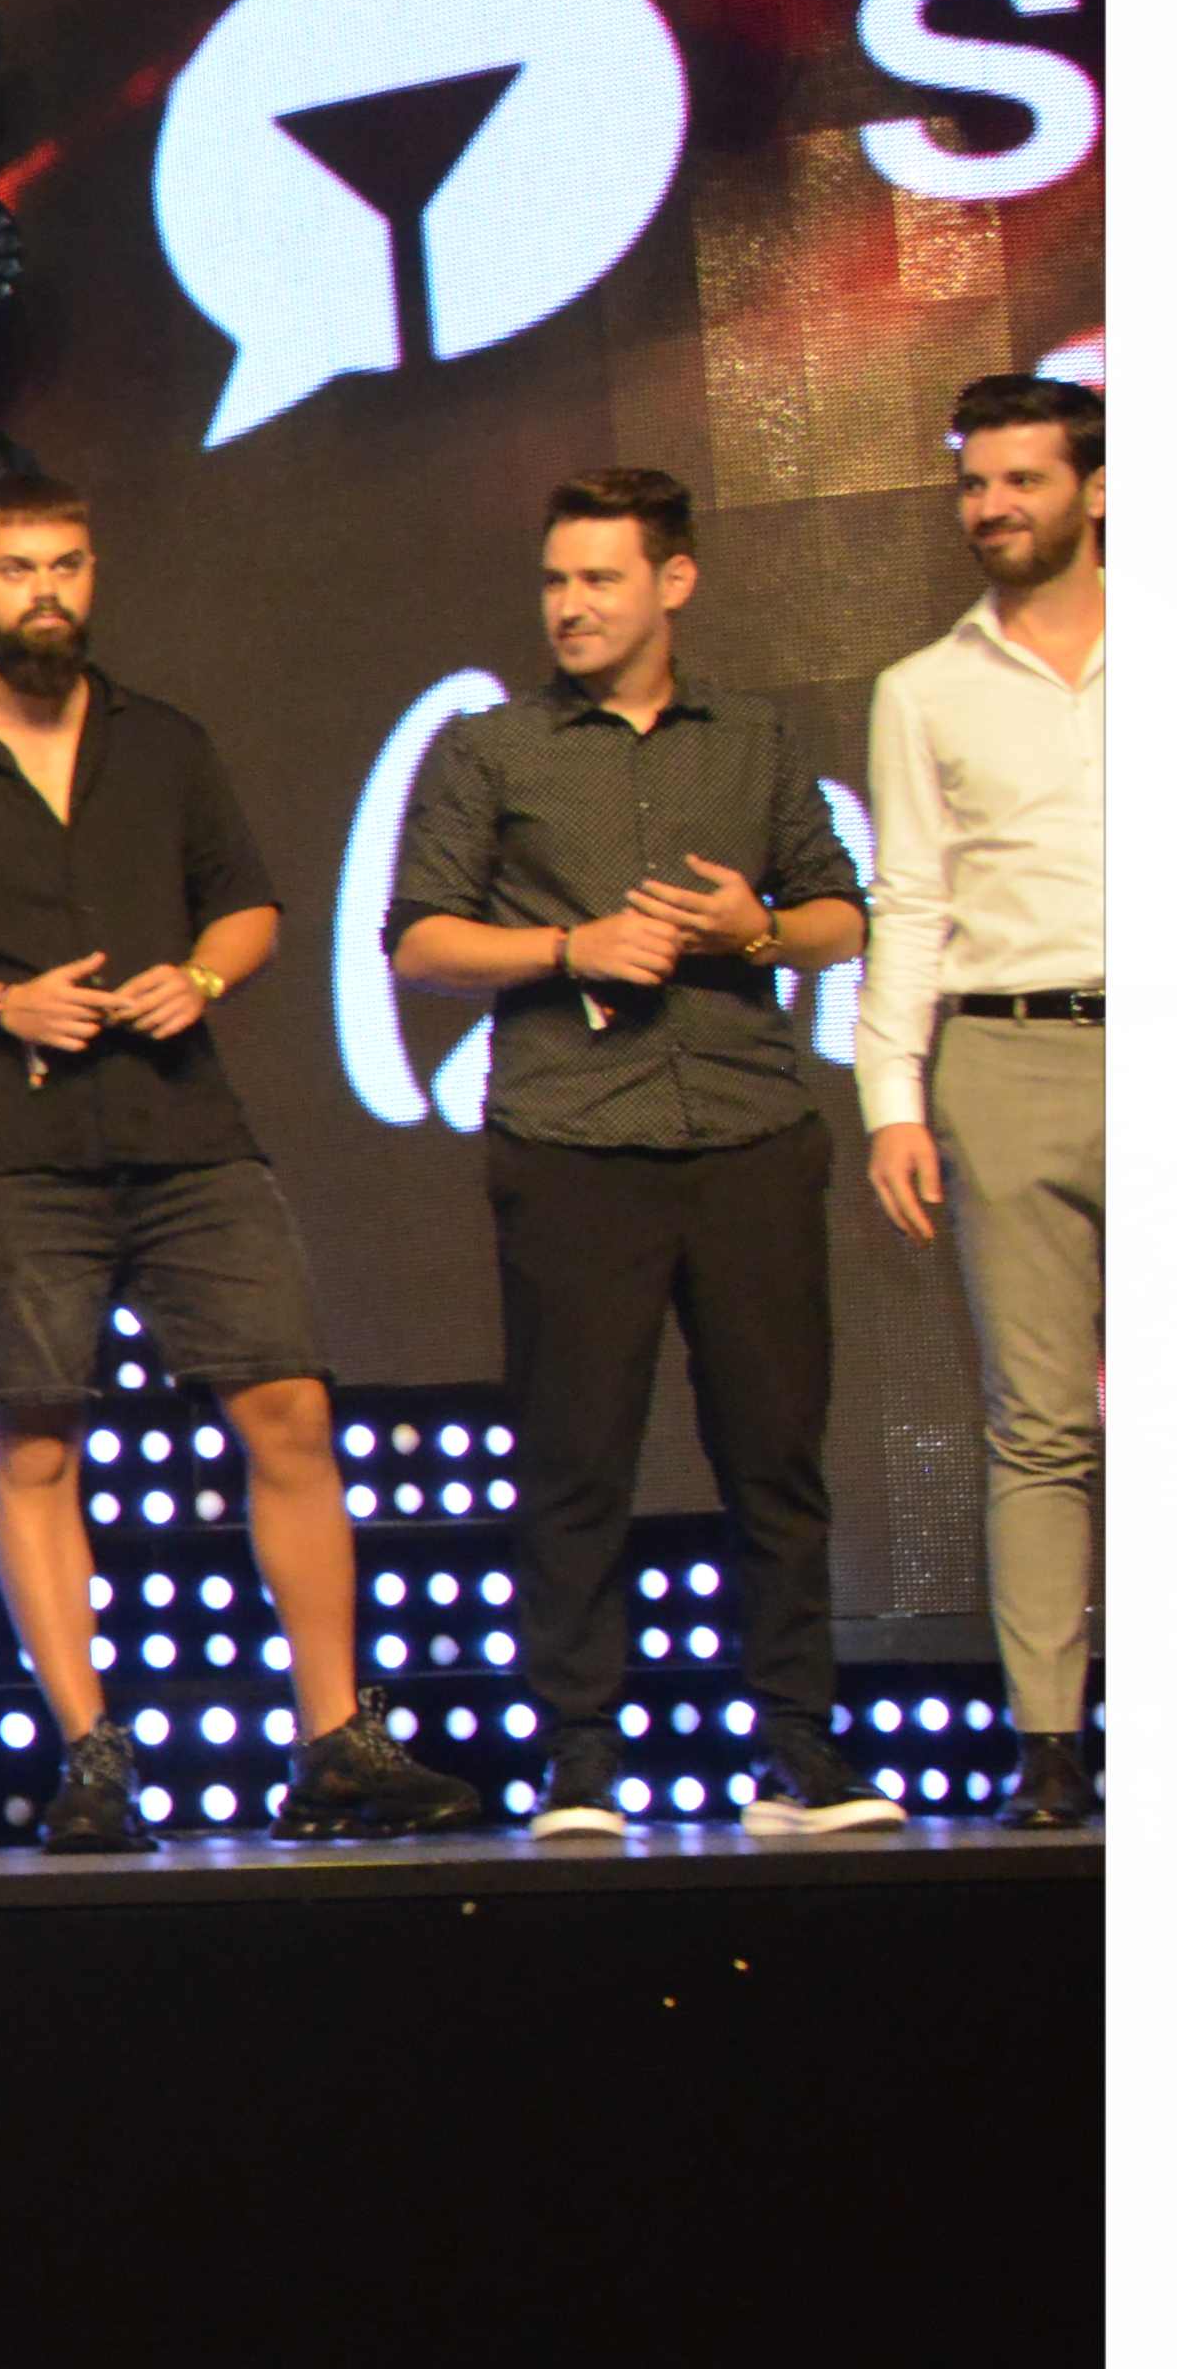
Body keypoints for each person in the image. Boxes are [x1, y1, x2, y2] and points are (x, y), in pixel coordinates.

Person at [0, 480, 476, 1849]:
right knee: (36, 1436)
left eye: (64, 566)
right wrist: (0, 1004)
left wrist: (199, 977)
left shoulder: (160, 741)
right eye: (15, 570)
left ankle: (335, 1739)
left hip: (183, 1128)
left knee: (288, 1408)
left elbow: (248, 907)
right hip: (9, 1143)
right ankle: (90, 1753)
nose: (44, 593)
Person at [384, 469, 888, 1839]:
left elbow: (842, 913)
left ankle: (800, 1750)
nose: (570, 605)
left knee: (775, 1455)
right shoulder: (492, 749)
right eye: (555, 579)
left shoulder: (754, 738)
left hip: (746, 1127)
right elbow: (418, 940)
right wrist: (571, 946)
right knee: (575, 1458)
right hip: (571, 1136)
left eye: (599, 578)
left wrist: (756, 929)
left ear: (674, 582)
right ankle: (582, 1757)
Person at [860, 371, 1104, 1831]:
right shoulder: (923, 688)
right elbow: (910, 900)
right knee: (1037, 1423)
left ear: (1095, 489)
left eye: (1023, 479)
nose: (993, 506)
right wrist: (891, 1095)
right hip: (1005, 1057)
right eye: (975, 483)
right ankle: (1050, 1744)